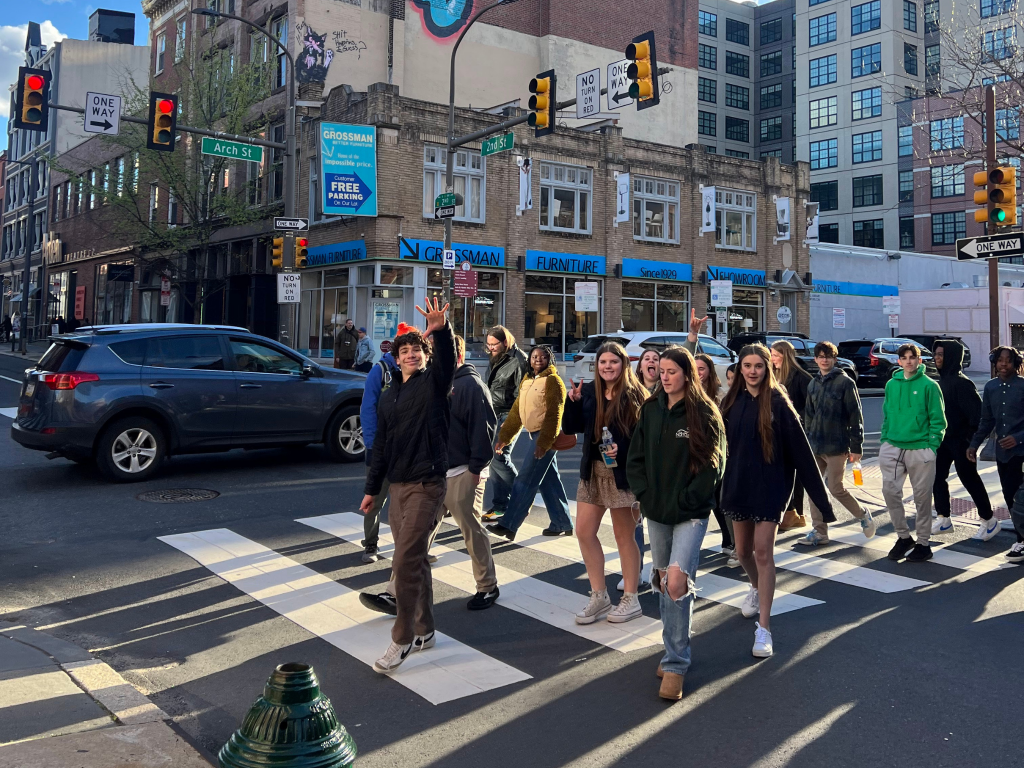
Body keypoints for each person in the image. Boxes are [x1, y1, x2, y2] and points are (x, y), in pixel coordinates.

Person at [720, 344, 835, 658]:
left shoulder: (779, 403)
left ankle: (765, 628)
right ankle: (756, 588)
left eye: (758, 365)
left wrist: (822, 505)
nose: (753, 371)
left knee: (762, 552)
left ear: (766, 368)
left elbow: (802, 455)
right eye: (747, 366)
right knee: (741, 551)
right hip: (738, 485)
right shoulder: (730, 402)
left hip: (771, 487)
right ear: (740, 369)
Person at [361, 298, 456, 673]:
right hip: (397, 486)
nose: (412, 354)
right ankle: (426, 629)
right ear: (395, 358)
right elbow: (380, 447)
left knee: (403, 561)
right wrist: (371, 490)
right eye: (405, 350)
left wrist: (442, 330)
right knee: (413, 558)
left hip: (428, 482)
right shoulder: (388, 398)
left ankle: (401, 639)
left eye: (417, 349)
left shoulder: (433, 384)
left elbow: (446, 363)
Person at [626, 346, 725, 700]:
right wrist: (646, 494)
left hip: (691, 513)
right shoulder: (650, 409)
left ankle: (675, 664)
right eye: (661, 371)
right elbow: (634, 459)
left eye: (671, 371)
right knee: (664, 581)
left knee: (678, 581)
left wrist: (689, 499)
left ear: (687, 373)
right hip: (657, 510)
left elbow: (714, 465)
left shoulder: (704, 412)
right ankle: (672, 649)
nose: (664, 377)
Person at [563, 343, 649, 624]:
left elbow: (642, 440)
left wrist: (620, 452)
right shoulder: (589, 391)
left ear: (624, 365)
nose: (607, 367)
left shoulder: (635, 395)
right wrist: (572, 403)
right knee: (584, 531)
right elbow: (571, 428)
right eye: (603, 362)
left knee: (625, 536)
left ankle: (631, 598)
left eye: (613, 362)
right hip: (594, 471)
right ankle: (599, 596)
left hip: (623, 475)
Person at [486, 345, 573, 540]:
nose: (538, 360)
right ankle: (562, 522)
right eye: (534, 356)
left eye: (542, 357)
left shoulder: (553, 381)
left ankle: (508, 524)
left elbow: (554, 414)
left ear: (549, 360)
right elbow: (517, 411)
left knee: (525, 480)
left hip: (546, 436)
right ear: (530, 360)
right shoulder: (528, 380)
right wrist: (504, 437)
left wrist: (543, 443)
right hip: (535, 434)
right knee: (549, 481)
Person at [798, 341, 875, 546]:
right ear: (815, 359)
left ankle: (862, 514)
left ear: (835, 359)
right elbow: (809, 415)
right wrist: (807, 440)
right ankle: (820, 532)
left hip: (837, 445)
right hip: (815, 444)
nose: (824, 360)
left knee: (835, 488)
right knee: (814, 489)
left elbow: (855, 416)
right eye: (821, 356)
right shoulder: (813, 384)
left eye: (828, 356)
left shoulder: (845, 383)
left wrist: (856, 446)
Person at [879, 343, 946, 563]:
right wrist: (885, 439)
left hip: (921, 448)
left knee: (922, 498)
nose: (908, 361)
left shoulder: (929, 386)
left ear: (919, 360)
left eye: (912, 357)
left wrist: (932, 446)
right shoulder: (891, 384)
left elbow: (938, 420)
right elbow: (887, 414)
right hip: (893, 446)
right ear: (899, 361)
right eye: (904, 357)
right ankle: (903, 537)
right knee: (890, 491)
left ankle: (923, 543)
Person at [932, 340, 998, 540]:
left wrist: (970, 442)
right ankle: (944, 519)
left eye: (941, 354)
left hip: (961, 441)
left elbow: (978, 417)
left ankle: (989, 520)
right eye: (936, 354)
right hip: (943, 440)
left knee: (969, 479)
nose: (937, 358)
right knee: (936, 478)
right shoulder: (939, 382)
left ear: (952, 356)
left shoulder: (963, 384)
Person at [968, 346, 1024, 563]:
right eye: (999, 360)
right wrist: (974, 444)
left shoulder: (1022, 386)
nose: (1003, 364)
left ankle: (1021, 541)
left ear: (1015, 363)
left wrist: (1018, 438)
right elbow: (986, 421)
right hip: (1003, 455)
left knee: (1021, 499)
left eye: (1008, 361)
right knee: (1010, 496)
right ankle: (1021, 539)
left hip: (1021, 452)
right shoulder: (991, 387)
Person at [357, 344, 398, 566]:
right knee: (375, 498)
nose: (410, 354)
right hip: (381, 447)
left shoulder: (419, 371)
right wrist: (372, 445)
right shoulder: (380, 371)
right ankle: (370, 544)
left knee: (408, 503)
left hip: (407, 450)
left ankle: (412, 548)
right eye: (404, 348)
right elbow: (367, 408)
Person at [482, 326, 528, 522]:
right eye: (489, 345)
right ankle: (501, 505)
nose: (491, 348)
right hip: (494, 413)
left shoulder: (519, 360)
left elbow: (521, 394)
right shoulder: (497, 358)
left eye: (495, 344)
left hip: (509, 414)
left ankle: (522, 498)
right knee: (494, 460)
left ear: (505, 342)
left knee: (500, 457)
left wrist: (510, 423)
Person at [771, 340, 813, 532]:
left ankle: (795, 513)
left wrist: (797, 420)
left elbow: (810, 407)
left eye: (775, 355)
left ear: (785, 356)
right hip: (777, 430)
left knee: (796, 474)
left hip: (795, 428)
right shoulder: (772, 375)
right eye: (771, 354)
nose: (772, 358)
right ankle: (789, 512)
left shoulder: (801, 377)